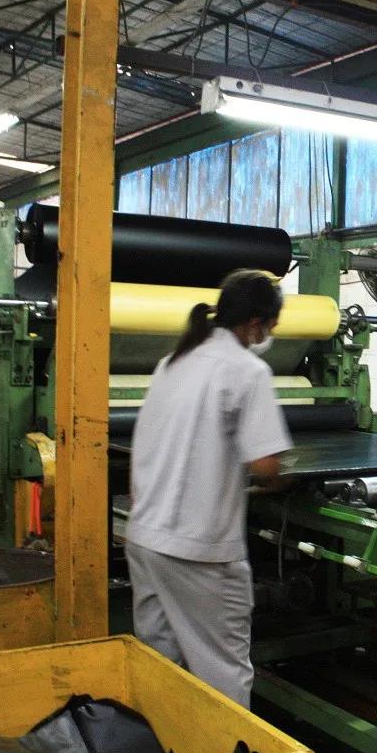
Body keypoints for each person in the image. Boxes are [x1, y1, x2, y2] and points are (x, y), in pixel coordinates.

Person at [125, 269, 293, 708]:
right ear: (254, 322)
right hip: (199, 553)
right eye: (271, 326)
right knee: (223, 676)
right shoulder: (247, 370)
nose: (270, 336)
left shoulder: (172, 362)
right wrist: (286, 477)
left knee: (159, 665)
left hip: (145, 539)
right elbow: (266, 466)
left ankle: (162, 744)